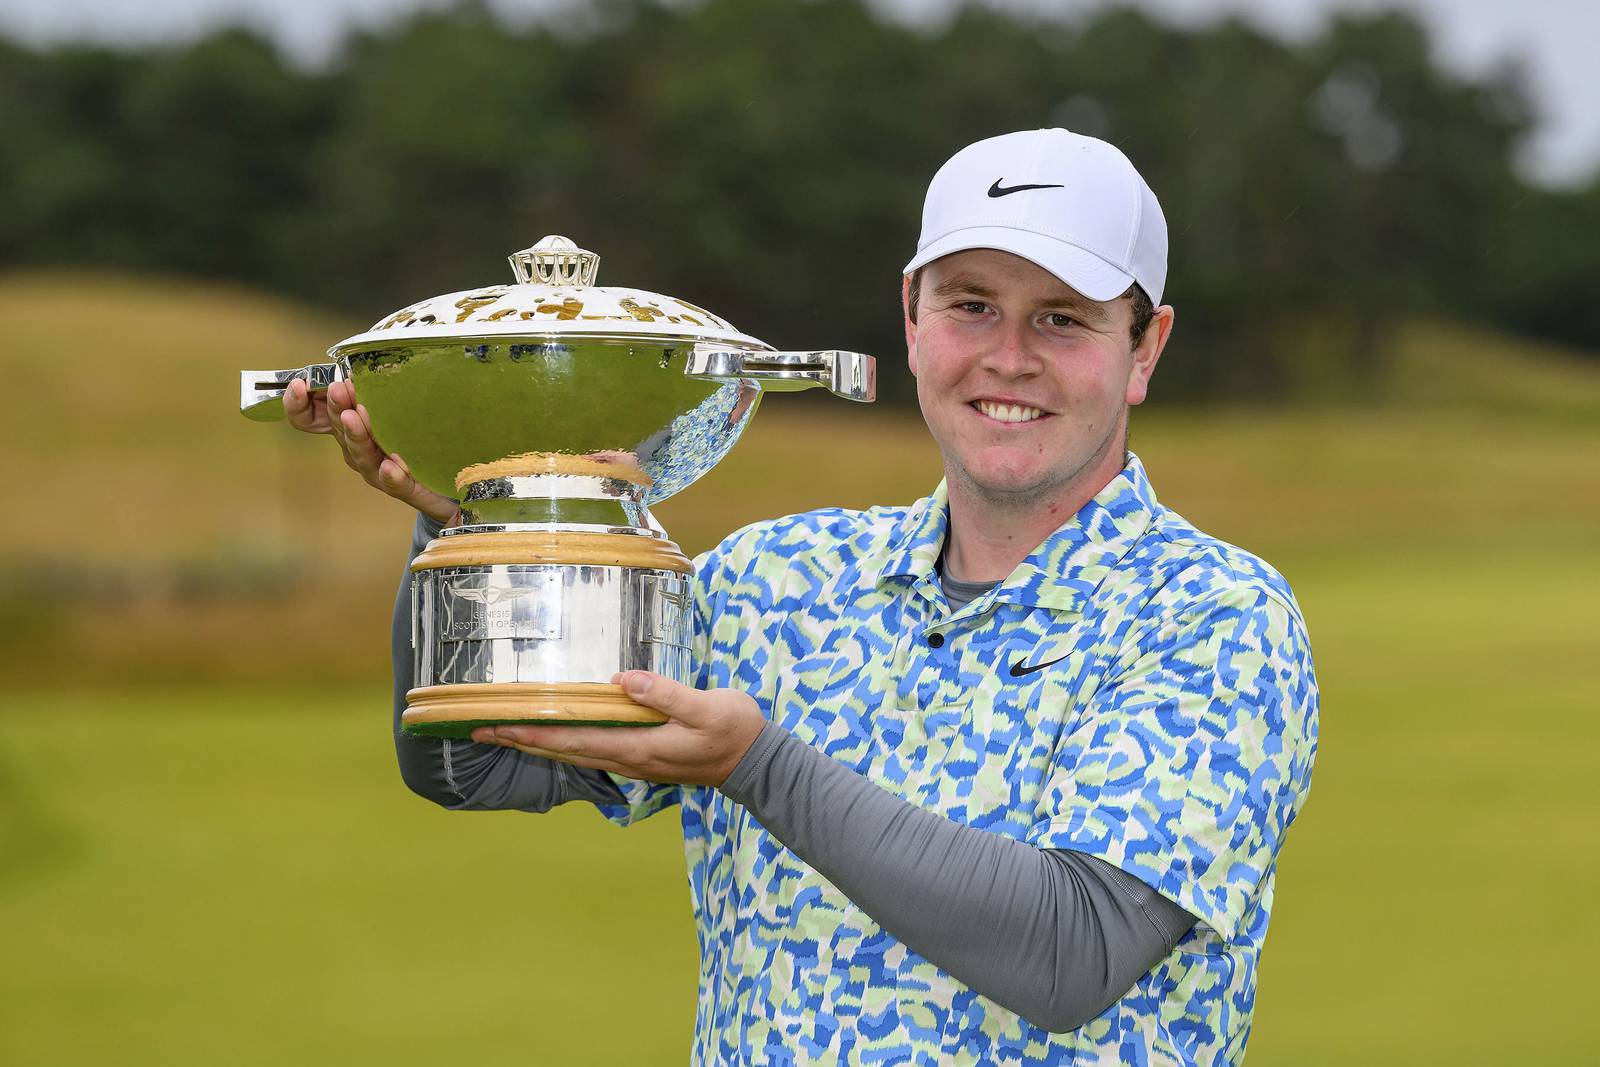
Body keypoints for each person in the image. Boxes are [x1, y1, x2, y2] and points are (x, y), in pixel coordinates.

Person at [284, 128, 1318, 1065]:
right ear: (910, 317)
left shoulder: (1216, 614)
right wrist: (485, 527)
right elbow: (470, 768)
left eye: (1062, 317)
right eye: (971, 305)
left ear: (1145, 348)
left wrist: (755, 764)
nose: (1009, 355)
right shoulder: (773, 579)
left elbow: (1071, 950)